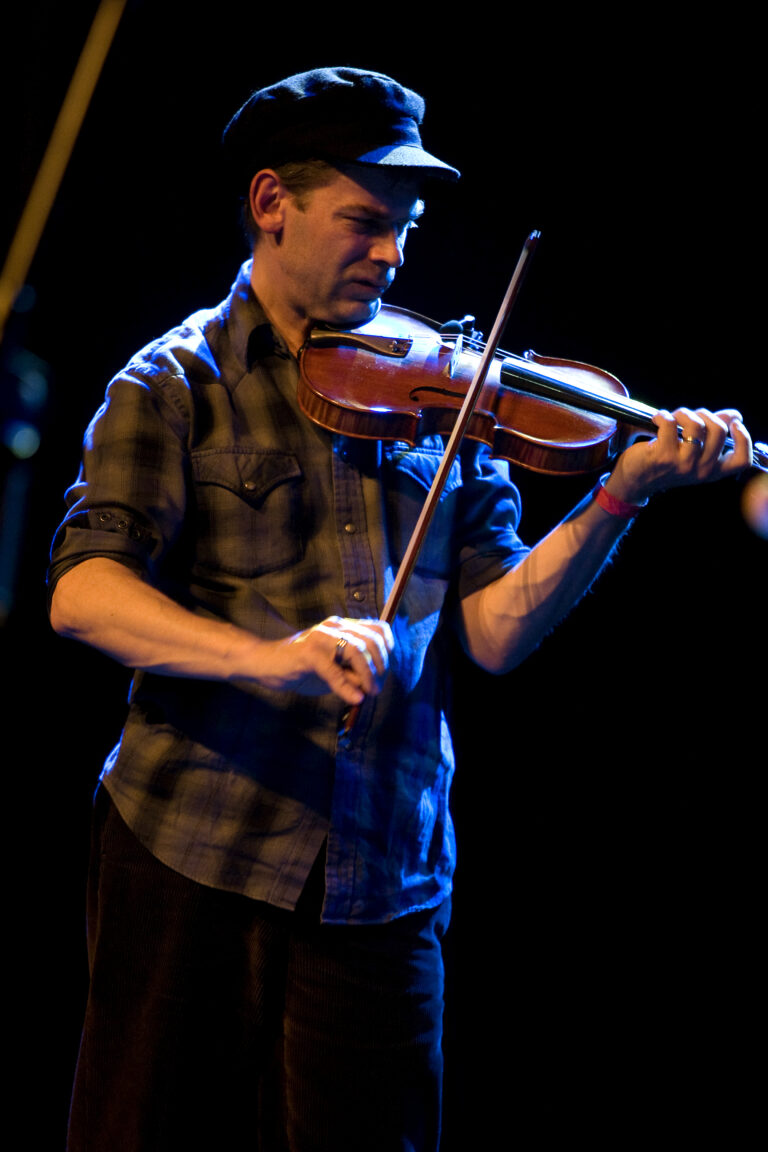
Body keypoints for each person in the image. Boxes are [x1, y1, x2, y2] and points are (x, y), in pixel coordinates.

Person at [49, 67, 753, 1152]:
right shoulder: (172, 382)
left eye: (406, 229)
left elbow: (495, 632)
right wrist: (271, 661)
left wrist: (620, 495)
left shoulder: (450, 391)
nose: (392, 256)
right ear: (272, 202)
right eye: (367, 223)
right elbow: (82, 593)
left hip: (387, 877)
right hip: (192, 851)